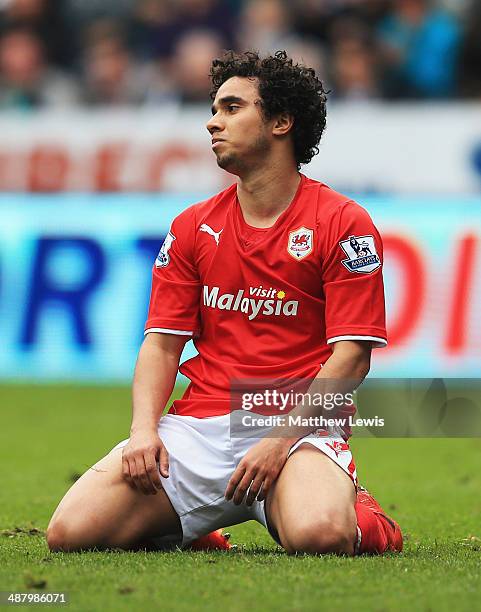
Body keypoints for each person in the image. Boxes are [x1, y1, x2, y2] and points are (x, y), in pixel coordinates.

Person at [46, 50, 402, 556]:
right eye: (214, 109)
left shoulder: (343, 222)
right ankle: (191, 526)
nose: (213, 122)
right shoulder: (192, 226)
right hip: (200, 424)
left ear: (281, 122)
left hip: (295, 426)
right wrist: (144, 431)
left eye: (232, 108)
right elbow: (162, 345)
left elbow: (352, 355)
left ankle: (360, 513)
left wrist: (278, 443)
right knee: (70, 534)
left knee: (319, 536)